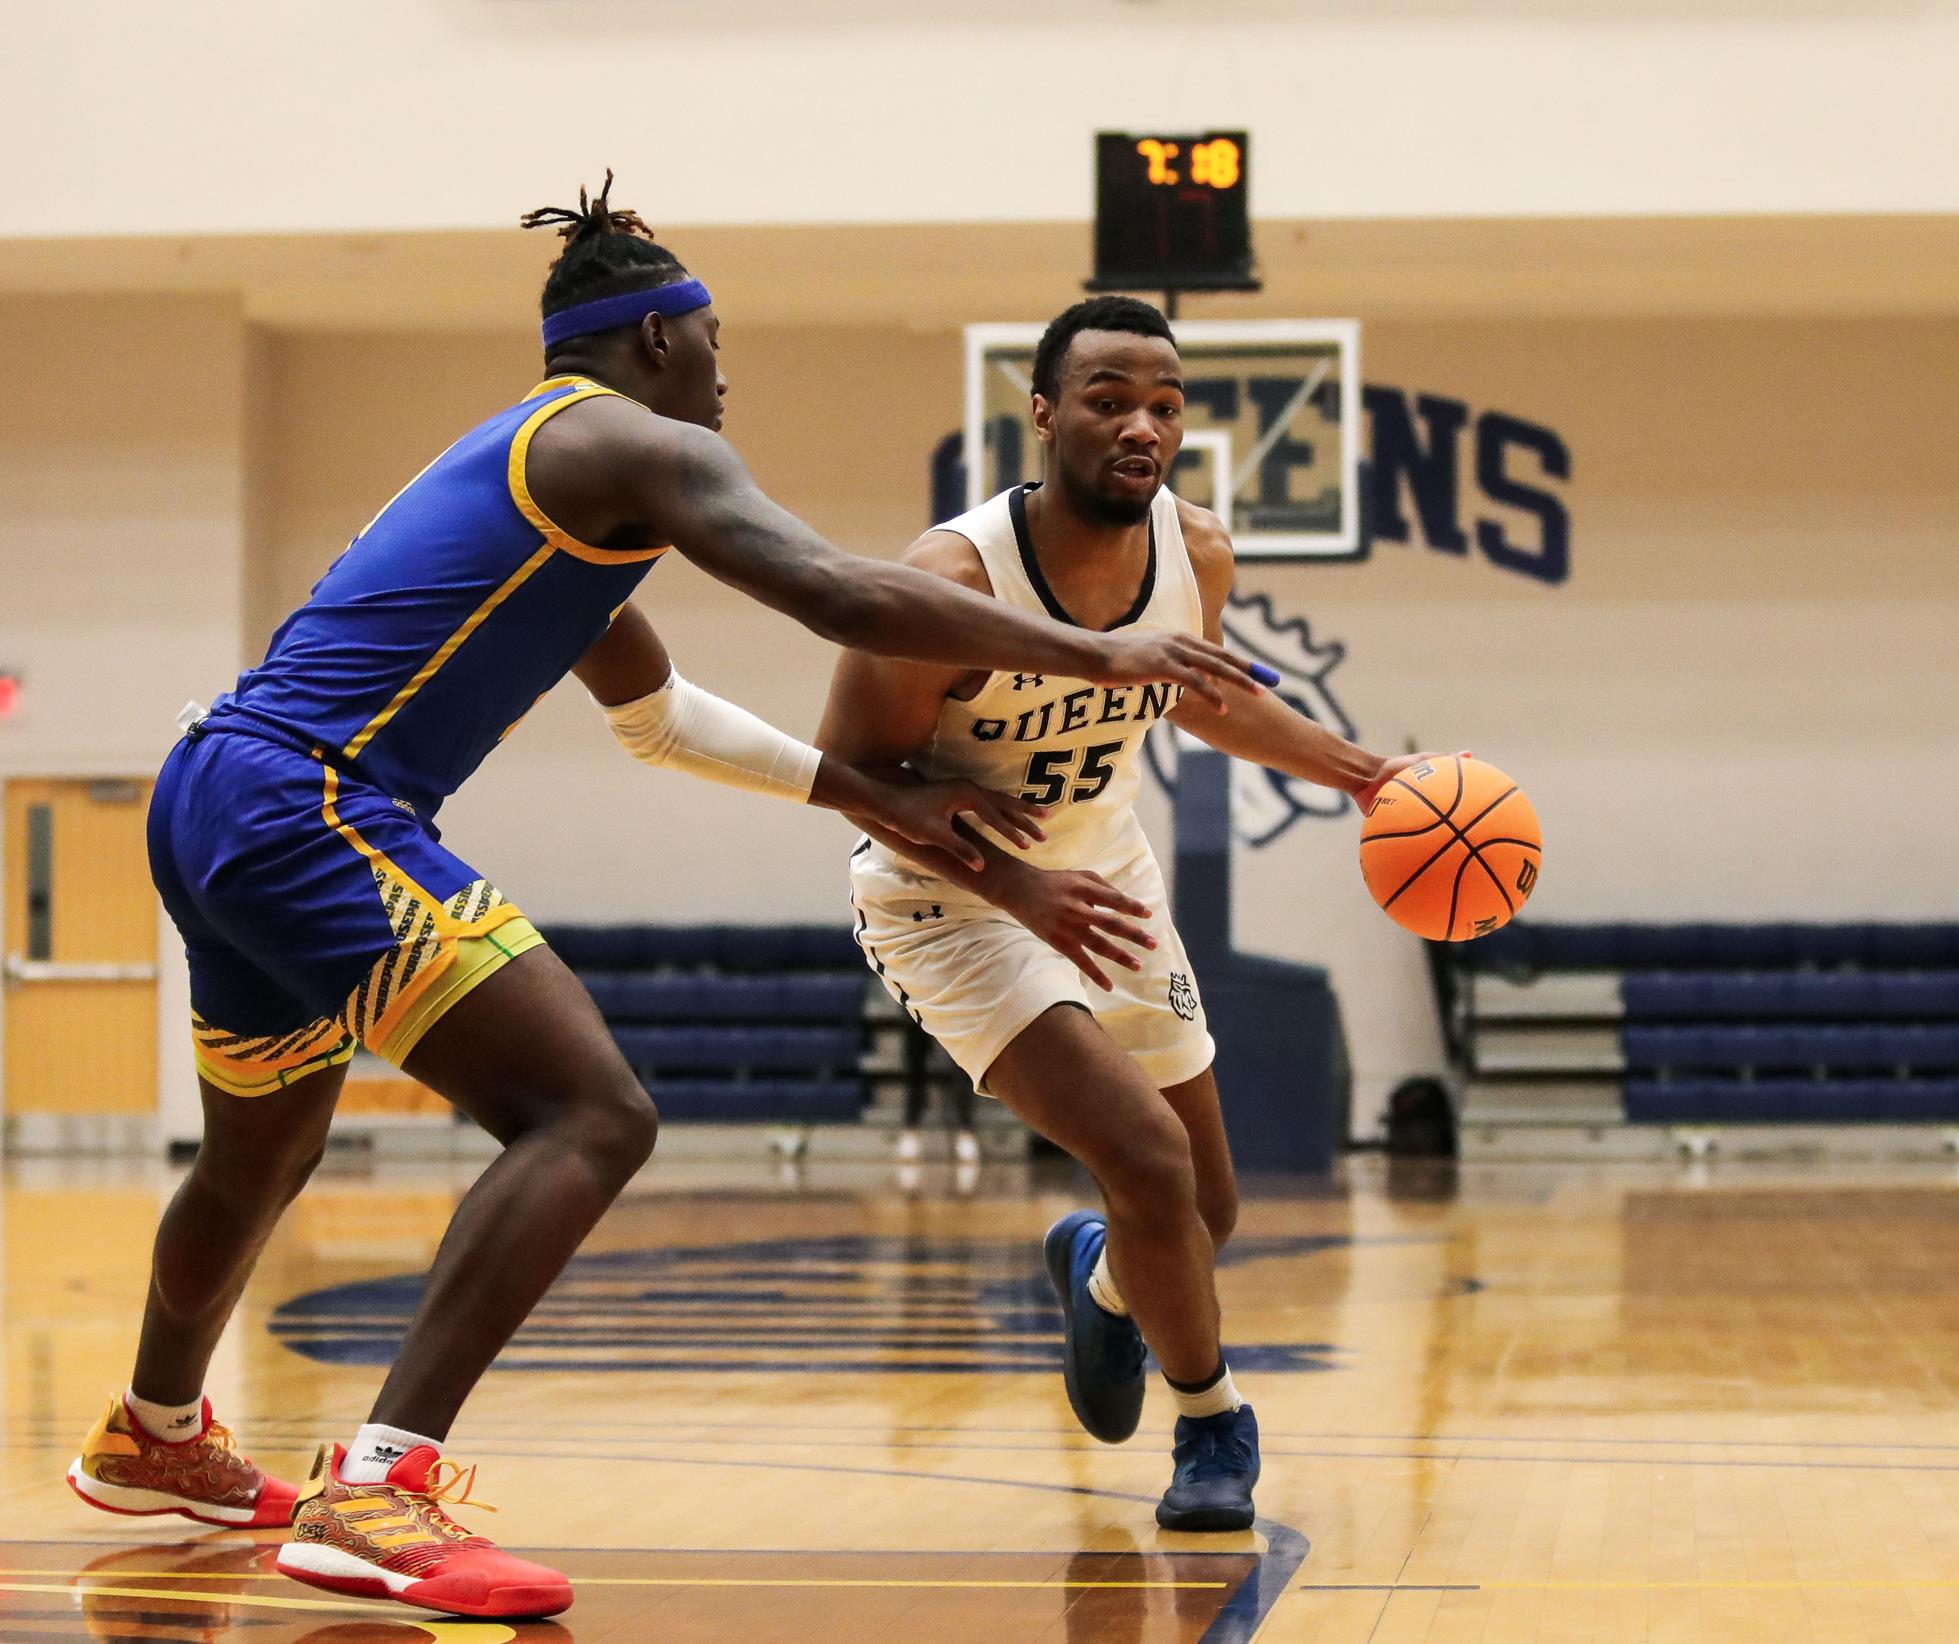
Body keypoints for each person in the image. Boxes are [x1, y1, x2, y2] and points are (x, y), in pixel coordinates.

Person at [65, 185, 1267, 1621]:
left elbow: (657, 715)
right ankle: (378, 1490)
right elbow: (838, 590)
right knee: (593, 1114)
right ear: (652, 339)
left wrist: (869, 795)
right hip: (306, 803)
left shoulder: (541, 475)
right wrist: (1108, 654)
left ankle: (157, 1434)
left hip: (212, 791)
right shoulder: (626, 439)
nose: (721, 377)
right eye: (710, 344)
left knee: (259, 1152)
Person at [821, 295, 1437, 1532]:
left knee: (1202, 1213)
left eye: (1163, 404)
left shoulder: (1192, 550)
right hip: (951, 903)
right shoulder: (946, 579)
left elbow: (1202, 700)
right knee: (1143, 1160)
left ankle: (1099, 1277)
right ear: (1041, 412)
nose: (1140, 425)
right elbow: (850, 776)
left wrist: (1361, 773)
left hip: (1103, 878)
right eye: (1108, 398)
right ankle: (1212, 1427)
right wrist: (1017, 890)